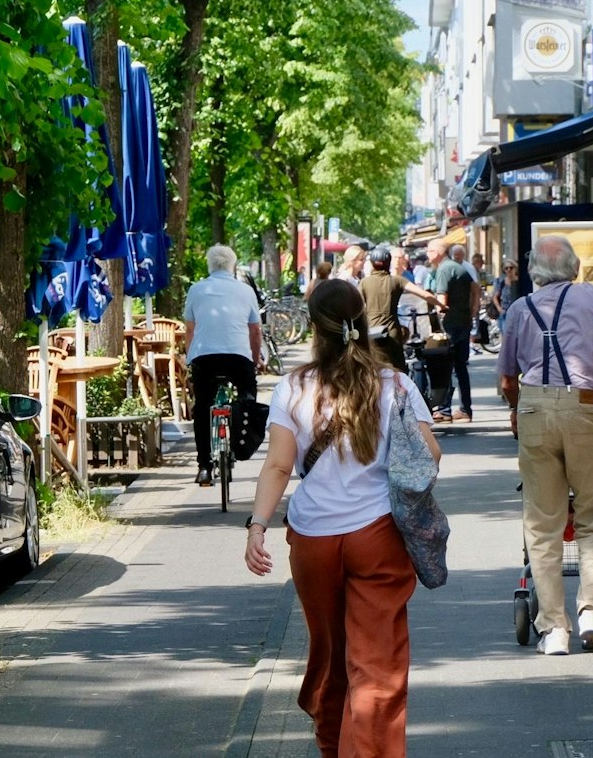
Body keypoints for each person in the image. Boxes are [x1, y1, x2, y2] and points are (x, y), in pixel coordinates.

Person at [244, 279, 441, 758]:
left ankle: (333, 744)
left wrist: (257, 526)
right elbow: (429, 454)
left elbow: (278, 465)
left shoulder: (293, 386)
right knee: (377, 667)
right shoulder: (395, 382)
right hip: (377, 536)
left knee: (331, 655)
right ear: (362, 321)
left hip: (312, 539)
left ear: (314, 327)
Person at [497, 235, 593, 656]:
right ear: (574, 268)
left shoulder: (520, 309)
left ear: (535, 271)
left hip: (536, 407)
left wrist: (519, 408)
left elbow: (505, 380)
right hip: (588, 405)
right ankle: (592, 611)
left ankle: (554, 629)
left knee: (542, 523)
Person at [185, 244, 264, 488]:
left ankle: (204, 467)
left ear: (209, 265)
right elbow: (255, 330)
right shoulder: (245, 290)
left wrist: (190, 358)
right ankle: (241, 439)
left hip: (204, 357)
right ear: (232, 265)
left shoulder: (196, 289)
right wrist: (255, 358)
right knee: (248, 397)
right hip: (238, 357)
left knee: (202, 407)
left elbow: (190, 328)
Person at [360, 247, 438, 372]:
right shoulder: (397, 281)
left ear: (372, 264)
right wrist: (442, 305)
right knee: (398, 369)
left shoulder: (364, 282)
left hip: (372, 332)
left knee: (374, 369)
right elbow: (424, 295)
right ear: (388, 263)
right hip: (392, 331)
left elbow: (356, 305)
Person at [428, 242, 480, 422]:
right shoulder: (460, 268)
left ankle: (444, 409)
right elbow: (476, 289)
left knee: (444, 367)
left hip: (449, 326)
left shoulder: (444, 269)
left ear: (439, 252)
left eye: (430, 250)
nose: (427, 253)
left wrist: (434, 310)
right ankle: (465, 409)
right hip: (463, 323)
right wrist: (472, 311)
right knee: (460, 367)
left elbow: (442, 299)